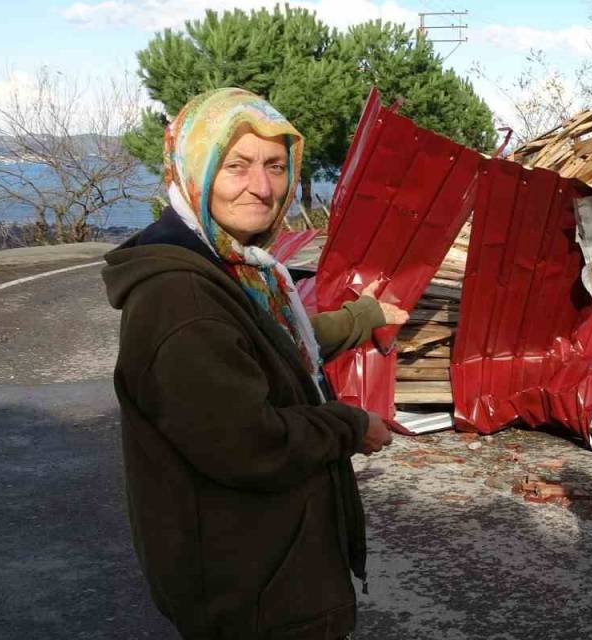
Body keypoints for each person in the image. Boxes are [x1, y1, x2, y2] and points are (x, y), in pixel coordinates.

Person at [103, 88, 407, 639]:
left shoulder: (233, 266)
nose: (262, 187)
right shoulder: (182, 298)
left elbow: (271, 344)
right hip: (248, 584)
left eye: (274, 166)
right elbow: (249, 443)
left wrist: (362, 318)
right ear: (194, 169)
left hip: (267, 564)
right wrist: (352, 424)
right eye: (235, 166)